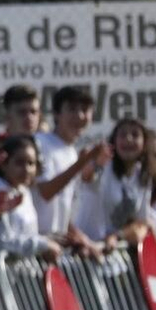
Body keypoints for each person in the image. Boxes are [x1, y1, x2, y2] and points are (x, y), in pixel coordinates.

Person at [32, 85, 110, 249]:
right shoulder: (39, 143)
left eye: (85, 110)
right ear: (56, 114)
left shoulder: (72, 153)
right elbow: (45, 192)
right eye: (72, 109)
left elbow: (62, 208)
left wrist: (82, 239)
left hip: (55, 247)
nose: (80, 115)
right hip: (35, 245)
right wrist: (82, 162)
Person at [77, 117, 156, 246]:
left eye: (135, 135)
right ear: (114, 141)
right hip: (87, 248)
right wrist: (95, 164)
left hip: (114, 252)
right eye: (123, 134)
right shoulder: (104, 166)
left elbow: (141, 222)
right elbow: (87, 177)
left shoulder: (142, 176)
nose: (128, 139)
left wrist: (118, 236)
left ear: (144, 144)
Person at [0, 137, 62, 262]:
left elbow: (26, 235)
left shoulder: (24, 190)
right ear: (4, 164)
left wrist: (47, 240)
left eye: (31, 163)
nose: (26, 169)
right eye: (19, 163)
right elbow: (3, 242)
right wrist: (43, 245)